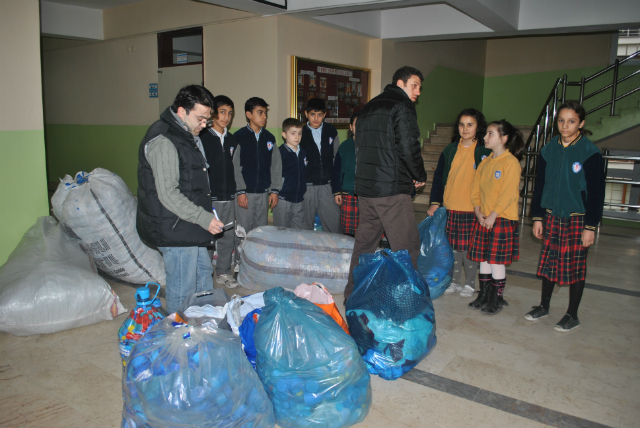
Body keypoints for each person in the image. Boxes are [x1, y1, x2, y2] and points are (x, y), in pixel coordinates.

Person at [136, 85, 224, 313]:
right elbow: (168, 194)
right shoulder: (163, 139)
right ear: (182, 111)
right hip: (174, 226)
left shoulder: (187, 133)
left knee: (203, 275)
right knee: (183, 288)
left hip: (188, 223)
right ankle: (178, 336)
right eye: (201, 118)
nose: (205, 125)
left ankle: (204, 324)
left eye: (208, 119)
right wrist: (204, 219)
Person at [344, 66, 427, 304]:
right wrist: (419, 174)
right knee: (406, 247)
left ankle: (352, 296)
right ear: (400, 83)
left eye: (420, 87)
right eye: (414, 85)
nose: (418, 92)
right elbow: (408, 145)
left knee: (364, 246)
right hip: (391, 190)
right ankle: (408, 302)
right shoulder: (402, 105)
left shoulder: (368, 107)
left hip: (367, 191)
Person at [525, 101, 605, 332]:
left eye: (571, 121)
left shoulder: (589, 152)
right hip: (552, 215)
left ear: (581, 123)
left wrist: (590, 226)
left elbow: (596, 193)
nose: (565, 125)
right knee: (550, 263)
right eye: (561, 120)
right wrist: (537, 217)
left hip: (577, 218)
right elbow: (539, 185)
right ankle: (544, 305)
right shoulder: (548, 149)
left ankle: (572, 314)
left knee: (575, 266)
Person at [427, 108, 491, 298]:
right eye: (462, 125)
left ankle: (470, 284)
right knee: (453, 248)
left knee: (469, 250)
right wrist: (435, 202)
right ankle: (454, 282)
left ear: (478, 127)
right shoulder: (450, 149)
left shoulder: (484, 151)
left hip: (472, 209)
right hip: (451, 206)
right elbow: (439, 177)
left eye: (470, 125)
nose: (465, 129)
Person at [467, 120, 524, 315]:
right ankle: (483, 295)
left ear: (504, 138)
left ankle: (496, 298)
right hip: (484, 217)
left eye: (490, 134)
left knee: (496, 260)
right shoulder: (485, 162)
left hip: (501, 218)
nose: (485, 137)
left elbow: (508, 194)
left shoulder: (511, 163)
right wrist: (477, 210)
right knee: (484, 258)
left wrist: (493, 215)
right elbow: (475, 190)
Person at [200, 95, 239, 289]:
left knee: (227, 236)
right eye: (222, 112)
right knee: (209, 237)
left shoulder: (232, 140)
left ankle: (223, 272)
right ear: (213, 113)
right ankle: (205, 274)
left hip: (229, 196)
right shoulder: (203, 137)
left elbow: (236, 168)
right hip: (211, 197)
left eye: (230, 114)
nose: (226, 117)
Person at [233, 97, 282, 241]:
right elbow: (234, 167)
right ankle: (239, 261)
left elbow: (276, 166)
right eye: (260, 113)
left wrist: (274, 190)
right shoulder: (239, 137)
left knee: (261, 231)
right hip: (245, 193)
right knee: (243, 230)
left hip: (263, 193)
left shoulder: (269, 138)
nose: (264, 117)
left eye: (265, 113)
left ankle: (257, 261)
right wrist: (240, 191)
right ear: (249, 114)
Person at [299, 98, 341, 233]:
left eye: (320, 115)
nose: (316, 118)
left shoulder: (331, 131)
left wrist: (337, 188)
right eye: (312, 114)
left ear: (324, 115)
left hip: (327, 186)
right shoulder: (300, 133)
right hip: (307, 187)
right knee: (306, 227)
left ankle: (334, 253)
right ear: (306, 114)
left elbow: (337, 160)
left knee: (333, 224)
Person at [273, 118, 307, 229]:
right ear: (284, 134)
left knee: (299, 230)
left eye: (299, 133)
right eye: (293, 133)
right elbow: (274, 173)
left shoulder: (303, 152)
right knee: (281, 230)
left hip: (299, 198)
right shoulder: (280, 152)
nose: (297, 137)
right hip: (283, 198)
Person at [333, 112, 359, 236]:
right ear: (351, 127)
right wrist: (337, 191)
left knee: (366, 229)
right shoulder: (344, 147)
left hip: (367, 194)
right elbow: (336, 171)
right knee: (348, 231)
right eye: (356, 124)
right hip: (348, 193)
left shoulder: (371, 147)